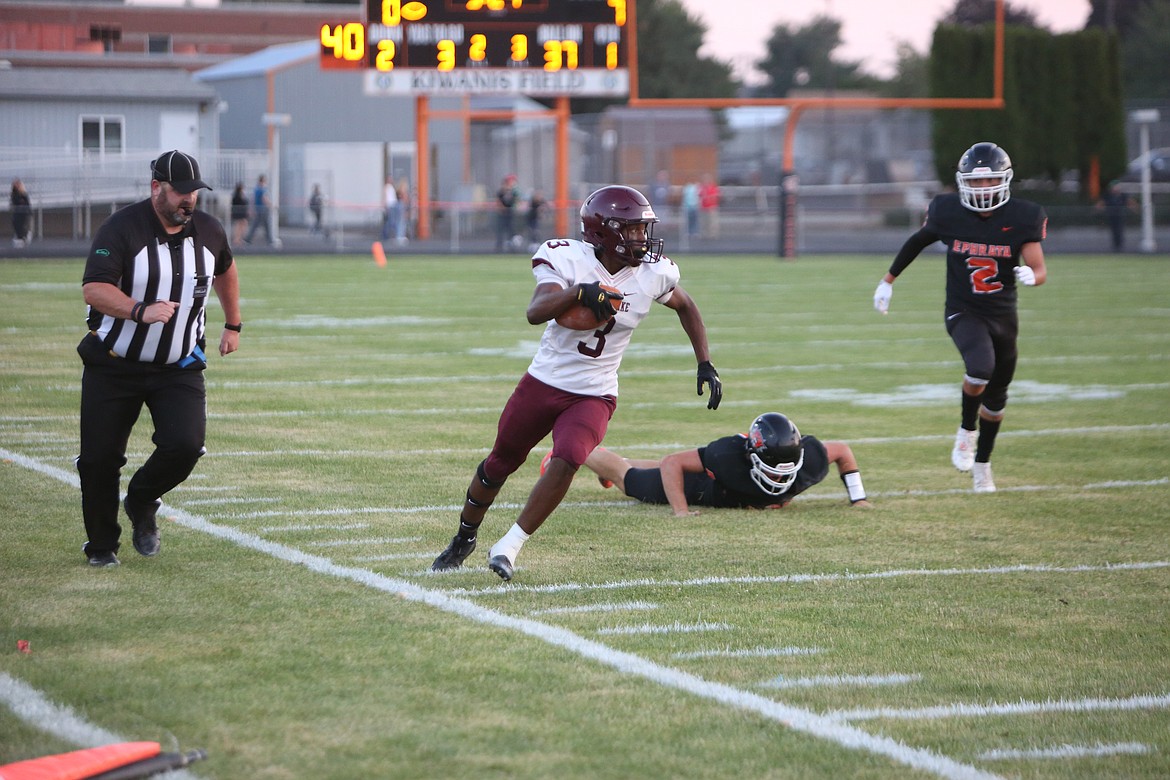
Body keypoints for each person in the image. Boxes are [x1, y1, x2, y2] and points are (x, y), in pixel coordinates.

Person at [431, 184, 723, 581]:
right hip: (544, 382)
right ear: (606, 232)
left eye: (643, 229)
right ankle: (465, 536)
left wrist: (704, 362)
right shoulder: (568, 259)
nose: (643, 238)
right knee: (500, 463)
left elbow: (686, 305)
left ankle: (510, 546)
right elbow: (536, 312)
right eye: (634, 230)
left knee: (568, 456)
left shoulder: (654, 274)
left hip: (595, 391)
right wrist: (578, 292)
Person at [76, 150, 242, 567]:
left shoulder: (208, 230)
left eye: (194, 193)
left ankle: (142, 497)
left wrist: (233, 324)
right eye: (181, 192)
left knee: (186, 445)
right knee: (99, 460)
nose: (189, 200)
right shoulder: (122, 228)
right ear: (156, 189)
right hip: (115, 363)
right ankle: (101, 546)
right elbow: (94, 288)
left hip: (178, 364)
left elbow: (226, 269)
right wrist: (139, 310)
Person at [873, 141, 1047, 493]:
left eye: (989, 181)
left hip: (1003, 314)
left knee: (997, 399)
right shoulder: (948, 211)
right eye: (976, 182)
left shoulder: (1022, 217)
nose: (983, 188)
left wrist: (1034, 275)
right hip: (963, 310)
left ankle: (983, 464)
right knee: (979, 367)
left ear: (1004, 180)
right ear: (963, 182)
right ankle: (966, 430)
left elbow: (1039, 266)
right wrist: (887, 281)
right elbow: (917, 241)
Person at [569, 412, 871, 515]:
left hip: (723, 486)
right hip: (703, 487)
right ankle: (580, 449)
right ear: (750, 456)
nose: (780, 480)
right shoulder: (727, 456)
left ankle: (607, 463)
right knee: (631, 481)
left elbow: (843, 451)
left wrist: (858, 498)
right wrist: (681, 511)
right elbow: (673, 463)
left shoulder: (811, 459)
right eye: (772, 471)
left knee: (644, 469)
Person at [1096, 180, 1135, 253]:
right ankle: (1115, 246)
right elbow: (1100, 204)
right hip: (1111, 216)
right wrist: (1099, 209)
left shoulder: (1123, 195)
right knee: (1114, 231)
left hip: (1120, 216)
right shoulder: (1107, 195)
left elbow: (1130, 203)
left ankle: (1120, 245)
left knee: (1120, 230)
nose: (1116, 188)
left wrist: (1134, 209)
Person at [243, 173, 271, 245]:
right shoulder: (262, 189)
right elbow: (264, 198)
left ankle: (248, 239)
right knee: (266, 225)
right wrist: (270, 205)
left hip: (257, 209)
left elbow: (253, 200)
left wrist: (252, 209)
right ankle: (269, 240)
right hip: (262, 209)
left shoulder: (256, 189)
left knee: (255, 225)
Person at [495, 173, 519, 252]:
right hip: (502, 215)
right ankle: (499, 247)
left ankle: (512, 248)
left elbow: (516, 201)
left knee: (511, 231)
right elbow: (498, 202)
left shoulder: (514, 192)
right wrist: (502, 208)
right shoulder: (501, 192)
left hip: (510, 214)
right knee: (500, 231)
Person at [10, 178, 31, 247]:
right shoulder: (14, 194)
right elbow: (15, 202)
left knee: (24, 228)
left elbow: (27, 203)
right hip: (17, 215)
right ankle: (20, 240)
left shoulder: (24, 194)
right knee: (18, 228)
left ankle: (24, 238)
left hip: (24, 215)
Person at [698, 174, 720, 239]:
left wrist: (709, 198)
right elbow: (699, 196)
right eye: (704, 179)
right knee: (703, 221)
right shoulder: (702, 188)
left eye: (707, 179)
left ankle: (713, 234)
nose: (706, 181)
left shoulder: (713, 187)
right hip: (703, 207)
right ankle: (704, 234)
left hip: (711, 207)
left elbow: (715, 196)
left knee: (712, 222)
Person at [381, 176, 398, 242]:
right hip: (389, 206)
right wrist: (386, 206)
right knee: (389, 222)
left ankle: (387, 235)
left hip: (392, 205)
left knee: (390, 221)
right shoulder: (387, 187)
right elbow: (385, 197)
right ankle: (385, 235)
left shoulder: (391, 187)